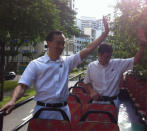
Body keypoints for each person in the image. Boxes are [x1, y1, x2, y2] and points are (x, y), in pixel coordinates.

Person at [0, 17, 109, 120]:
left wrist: (104, 34)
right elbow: (22, 85)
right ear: (48, 43)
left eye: (63, 44)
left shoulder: (67, 61)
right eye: (58, 43)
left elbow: (88, 49)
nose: (61, 47)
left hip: (63, 111)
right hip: (42, 112)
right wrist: (13, 100)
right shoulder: (35, 64)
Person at [83, 27, 147, 116]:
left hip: (113, 103)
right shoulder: (91, 66)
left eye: (109, 57)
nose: (107, 59)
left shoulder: (117, 64)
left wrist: (142, 45)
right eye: (105, 57)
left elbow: (135, 60)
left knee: (112, 127)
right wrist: (91, 91)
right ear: (98, 55)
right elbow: (86, 82)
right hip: (97, 102)